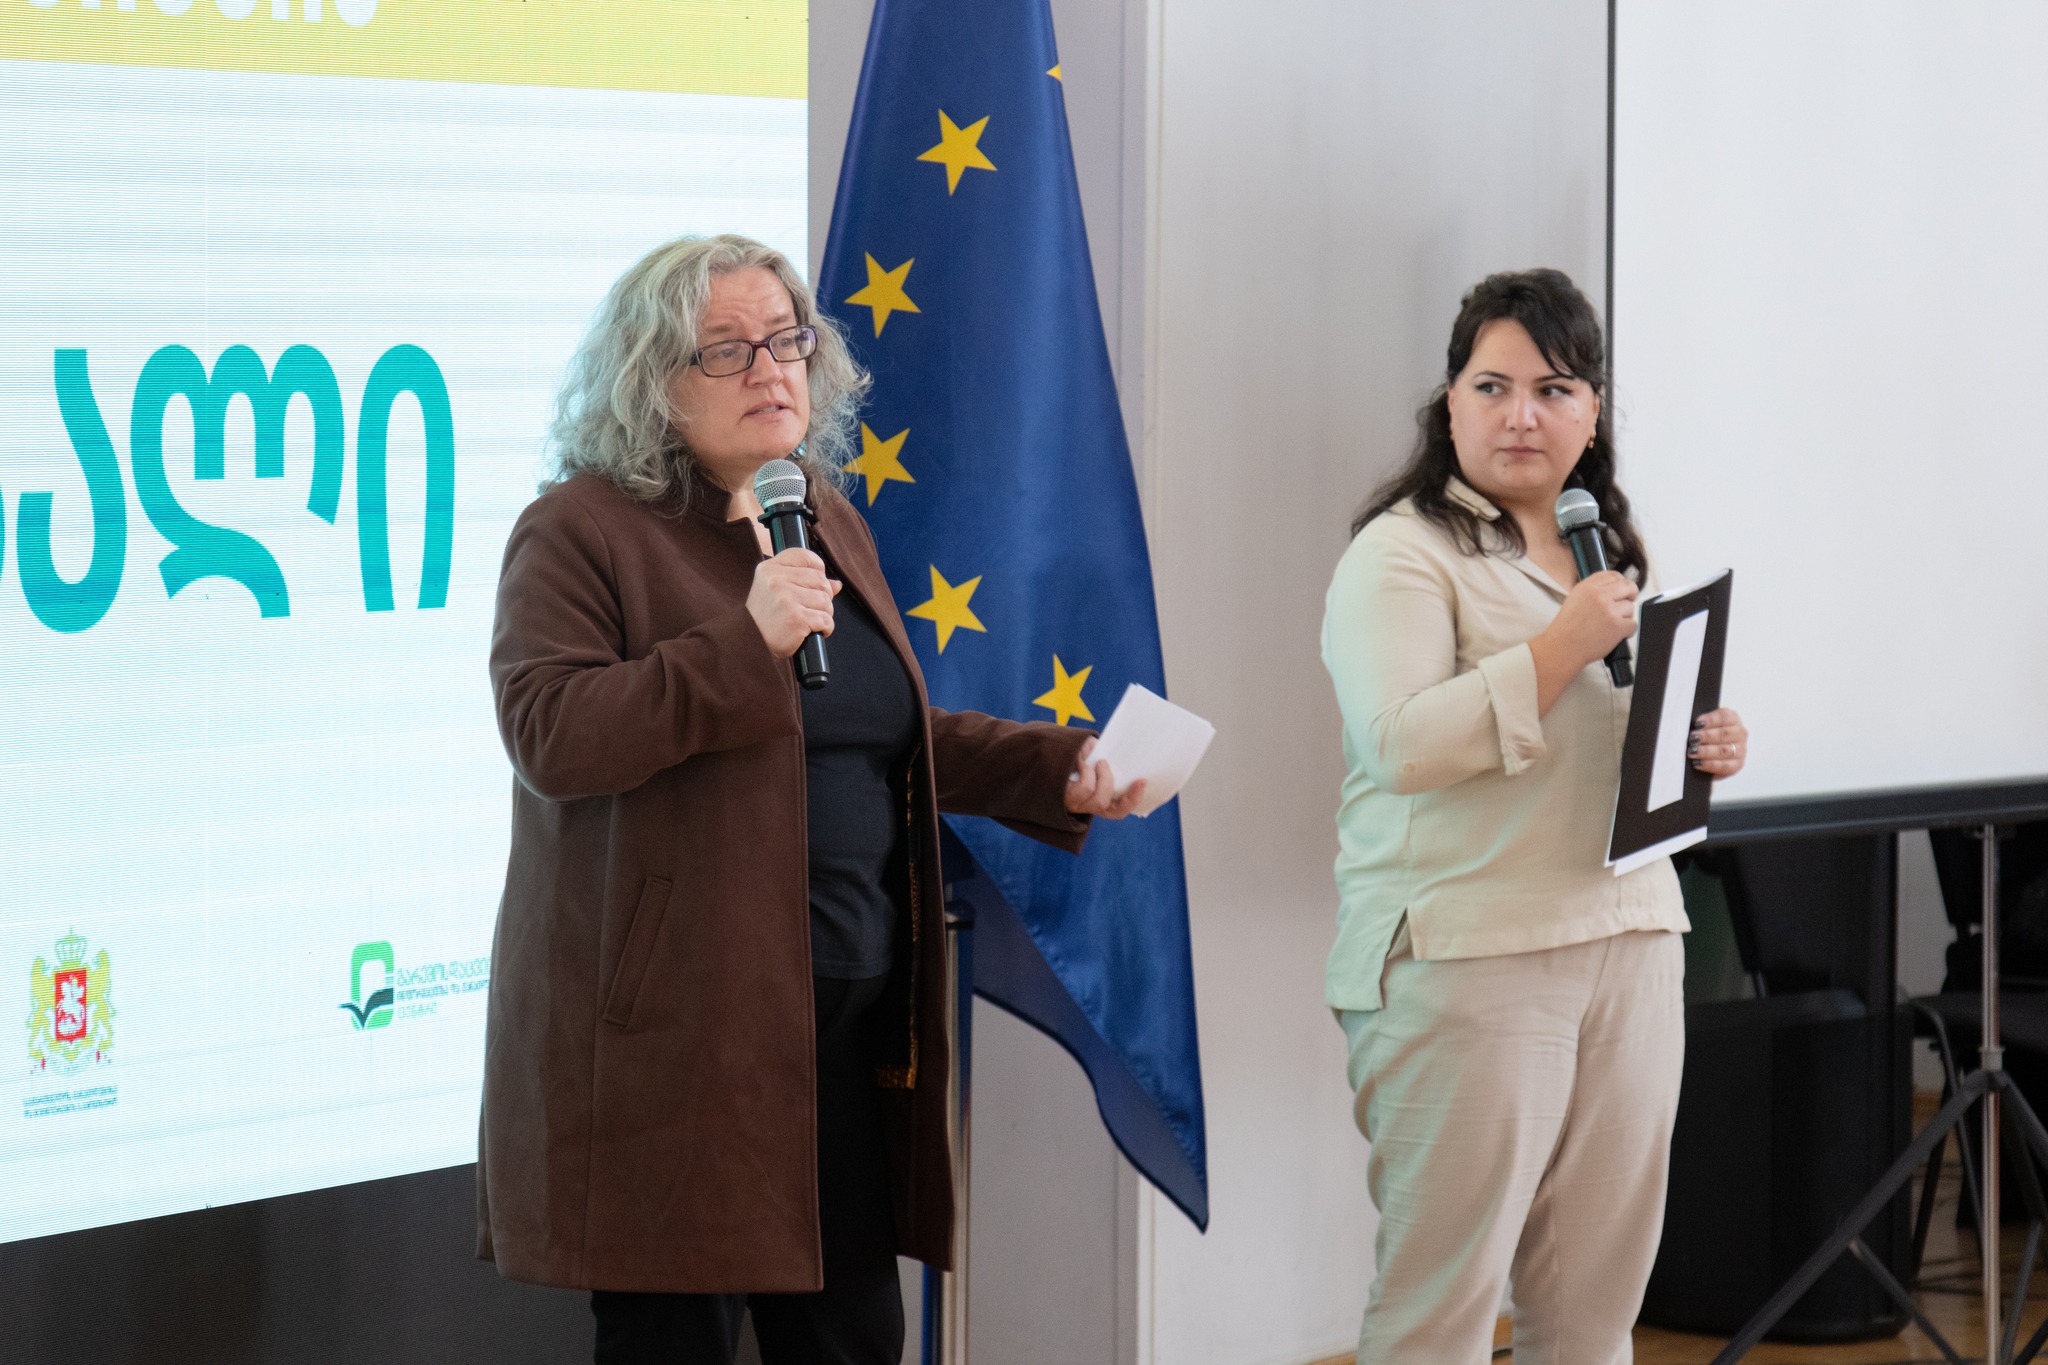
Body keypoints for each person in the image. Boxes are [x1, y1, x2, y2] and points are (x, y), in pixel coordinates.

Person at [476, 233, 1143, 1365]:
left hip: (839, 1029)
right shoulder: (581, 530)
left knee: (850, 1341)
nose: (770, 370)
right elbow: (553, 733)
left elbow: (871, 733)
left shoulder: (818, 513)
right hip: (682, 1050)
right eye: (727, 350)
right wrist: (744, 644)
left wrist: (1054, 767)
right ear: (651, 381)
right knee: (671, 1344)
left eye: (786, 342)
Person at [1321, 268, 1749, 1365]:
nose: (1522, 415)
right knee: (1441, 1310)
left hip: (1631, 941)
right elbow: (1400, 743)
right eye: (1493, 387)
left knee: (1595, 1311)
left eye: (1554, 390)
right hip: (1467, 956)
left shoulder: (1608, 551)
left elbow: (1600, 740)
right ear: (1449, 403)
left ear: (1590, 413)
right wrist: (1560, 646)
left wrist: (1700, 743)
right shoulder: (1400, 553)